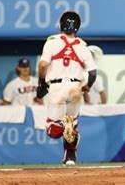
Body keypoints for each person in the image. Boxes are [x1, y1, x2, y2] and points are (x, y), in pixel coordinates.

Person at [36, 11, 97, 165]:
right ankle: (70, 157)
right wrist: (87, 86)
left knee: (52, 130)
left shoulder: (51, 42)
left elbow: (43, 65)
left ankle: (63, 126)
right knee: (73, 124)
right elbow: (93, 73)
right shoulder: (83, 46)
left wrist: (41, 81)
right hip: (76, 87)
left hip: (57, 87)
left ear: (60, 25)